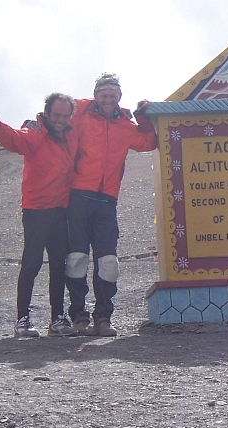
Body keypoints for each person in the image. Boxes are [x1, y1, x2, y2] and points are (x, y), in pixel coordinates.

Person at [64, 73, 157, 337]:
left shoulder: (126, 127)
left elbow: (148, 142)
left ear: (119, 98)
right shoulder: (81, 117)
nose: (108, 100)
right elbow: (61, 116)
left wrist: (142, 118)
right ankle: (78, 315)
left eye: (112, 96)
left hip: (107, 200)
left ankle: (103, 317)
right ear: (95, 96)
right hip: (79, 196)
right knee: (77, 259)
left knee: (107, 261)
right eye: (103, 96)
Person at [0, 94, 77, 338]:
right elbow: (15, 140)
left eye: (66, 115)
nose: (61, 119)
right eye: (57, 115)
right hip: (36, 211)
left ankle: (58, 318)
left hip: (60, 210)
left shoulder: (71, 135)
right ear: (47, 112)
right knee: (31, 264)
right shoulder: (36, 133)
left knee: (59, 265)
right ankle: (22, 320)